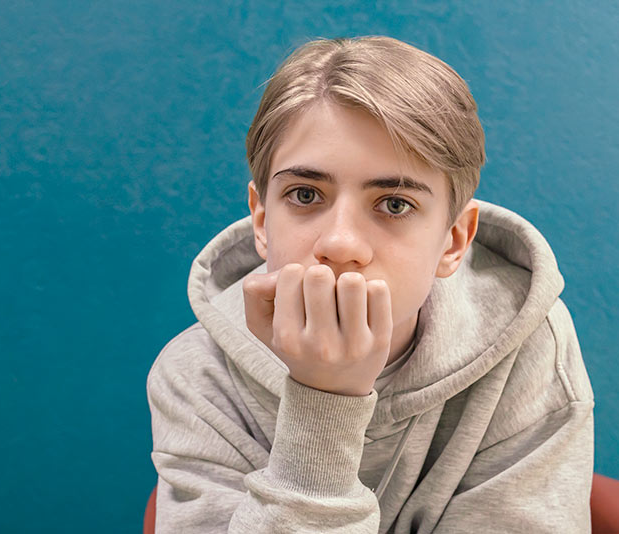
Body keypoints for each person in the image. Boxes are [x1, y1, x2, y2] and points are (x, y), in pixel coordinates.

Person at [147, 35, 594, 533]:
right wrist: (324, 402)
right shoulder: (197, 378)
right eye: (305, 194)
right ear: (260, 219)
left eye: (395, 204)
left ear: (453, 241)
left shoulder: (531, 346)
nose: (340, 243)